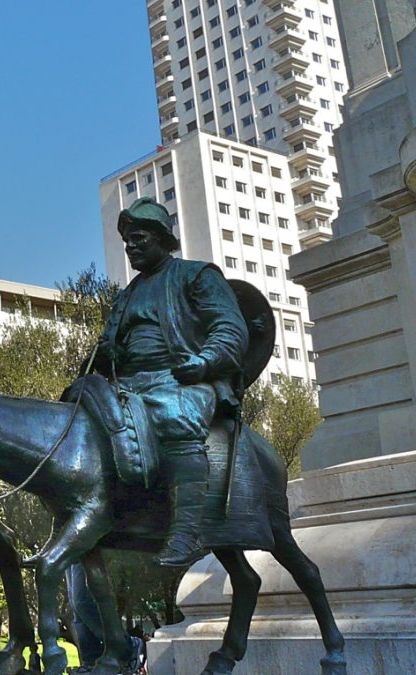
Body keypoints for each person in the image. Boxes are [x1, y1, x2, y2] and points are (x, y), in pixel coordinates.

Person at [90, 197, 248, 567]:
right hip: (126, 384)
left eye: (139, 238)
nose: (131, 247)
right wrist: (103, 354)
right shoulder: (126, 295)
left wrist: (204, 361)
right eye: (127, 241)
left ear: (163, 238)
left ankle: (186, 532)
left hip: (181, 377)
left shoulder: (196, 275)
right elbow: (109, 341)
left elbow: (230, 327)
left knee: (174, 416)